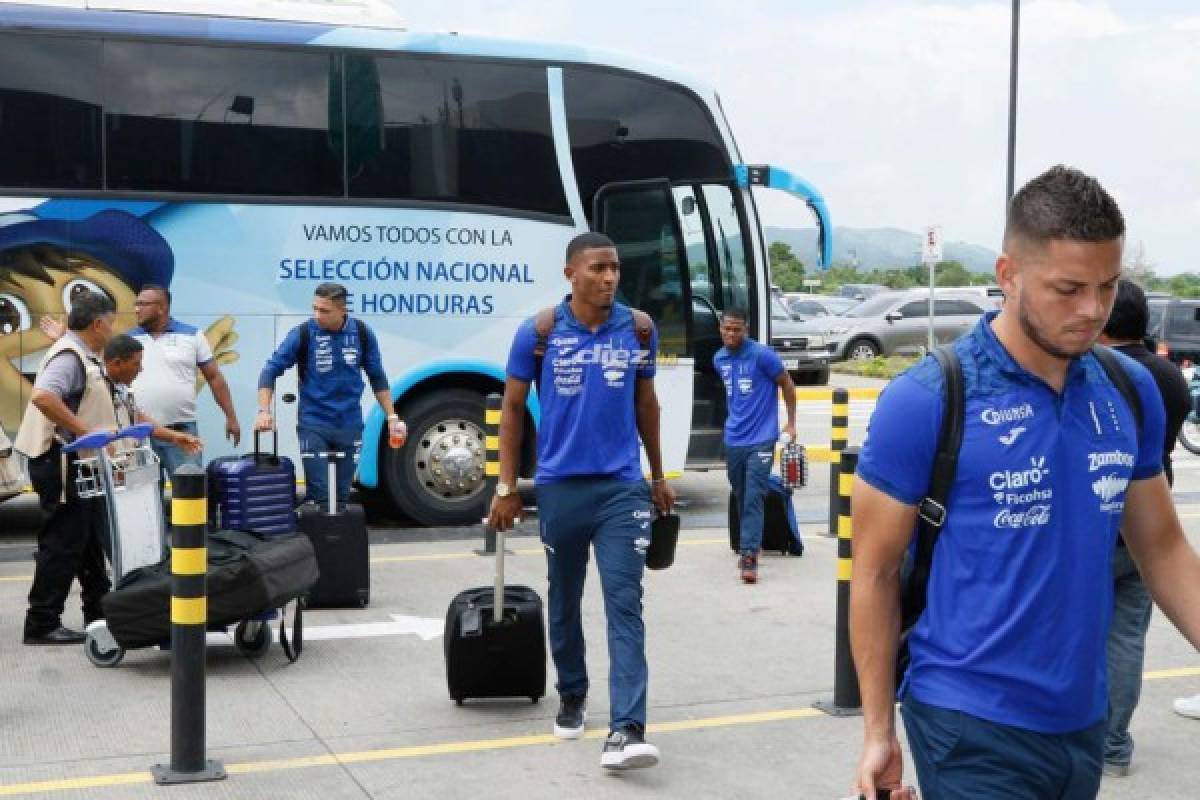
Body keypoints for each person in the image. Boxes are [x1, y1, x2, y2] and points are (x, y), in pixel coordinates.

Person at [848, 165, 1200, 799]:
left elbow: (1163, 549)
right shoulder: (929, 399)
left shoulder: (1128, 390)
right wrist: (879, 731)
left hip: (1080, 718)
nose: (1093, 310)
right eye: (1067, 288)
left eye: (1107, 285)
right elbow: (873, 572)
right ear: (1008, 275)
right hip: (968, 716)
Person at [488, 231, 675, 771]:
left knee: (625, 603)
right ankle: (572, 691)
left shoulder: (638, 329)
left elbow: (646, 403)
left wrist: (657, 474)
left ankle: (627, 729)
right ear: (571, 273)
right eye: (598, 269)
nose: (610, 277)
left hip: (622, 488)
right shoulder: (539, 333)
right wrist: (505, 486)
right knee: (564, 598)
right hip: (561, 489)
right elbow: (514, 410)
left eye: (615, 268)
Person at [1097, 279, 1191, 777]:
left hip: (1097, 529)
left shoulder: (1101, 374)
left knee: (1076, 636)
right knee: (1127, 640)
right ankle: (1114, 748)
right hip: (1152, 529)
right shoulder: (1170, 377)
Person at [14, 292, 118, 644]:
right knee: (62, 541)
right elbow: (44, 396)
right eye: (112, 321)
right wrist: (85, 432)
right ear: (98, 323)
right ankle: (41, 622)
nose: (113, 329)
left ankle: (98, 612)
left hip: (76, 461)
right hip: (61, 461)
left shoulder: (79, 351)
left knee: (86, 539)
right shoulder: (70, 356)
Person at [256, 282, 405, 508]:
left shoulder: (363, 333)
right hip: (313, 424)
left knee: (342, 497)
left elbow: (377, 377)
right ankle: (316, 539)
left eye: (324, 311)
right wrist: (264, 411)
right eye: (314, 308)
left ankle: (338, 541)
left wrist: (392, 417)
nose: (317, 315)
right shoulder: (303, 334)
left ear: (342, 310)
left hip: (350, 424)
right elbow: (269, 371)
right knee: (321, 496)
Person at [713, 307, 797, 583]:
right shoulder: (719, 358)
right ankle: (751, 540)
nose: (731, 334)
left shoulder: (762, 355)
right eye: (727, 328)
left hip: (762, 438)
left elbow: (787, 384)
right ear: (720, 328)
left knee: (753, 496)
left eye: (737, 329)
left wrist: (791, 423)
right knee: (740, 493)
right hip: (734, 438)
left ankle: (749, 555)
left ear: (746, 330)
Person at [127, 284, 239, 481]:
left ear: (162, 307)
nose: (137, 309)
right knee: (144, 500)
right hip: (139, 434)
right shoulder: (128, 339)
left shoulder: (192, 336)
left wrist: (230, 417)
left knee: (189, 492)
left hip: (182, 432)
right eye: (136, 304)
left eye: (143, 304)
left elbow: (214, 377)